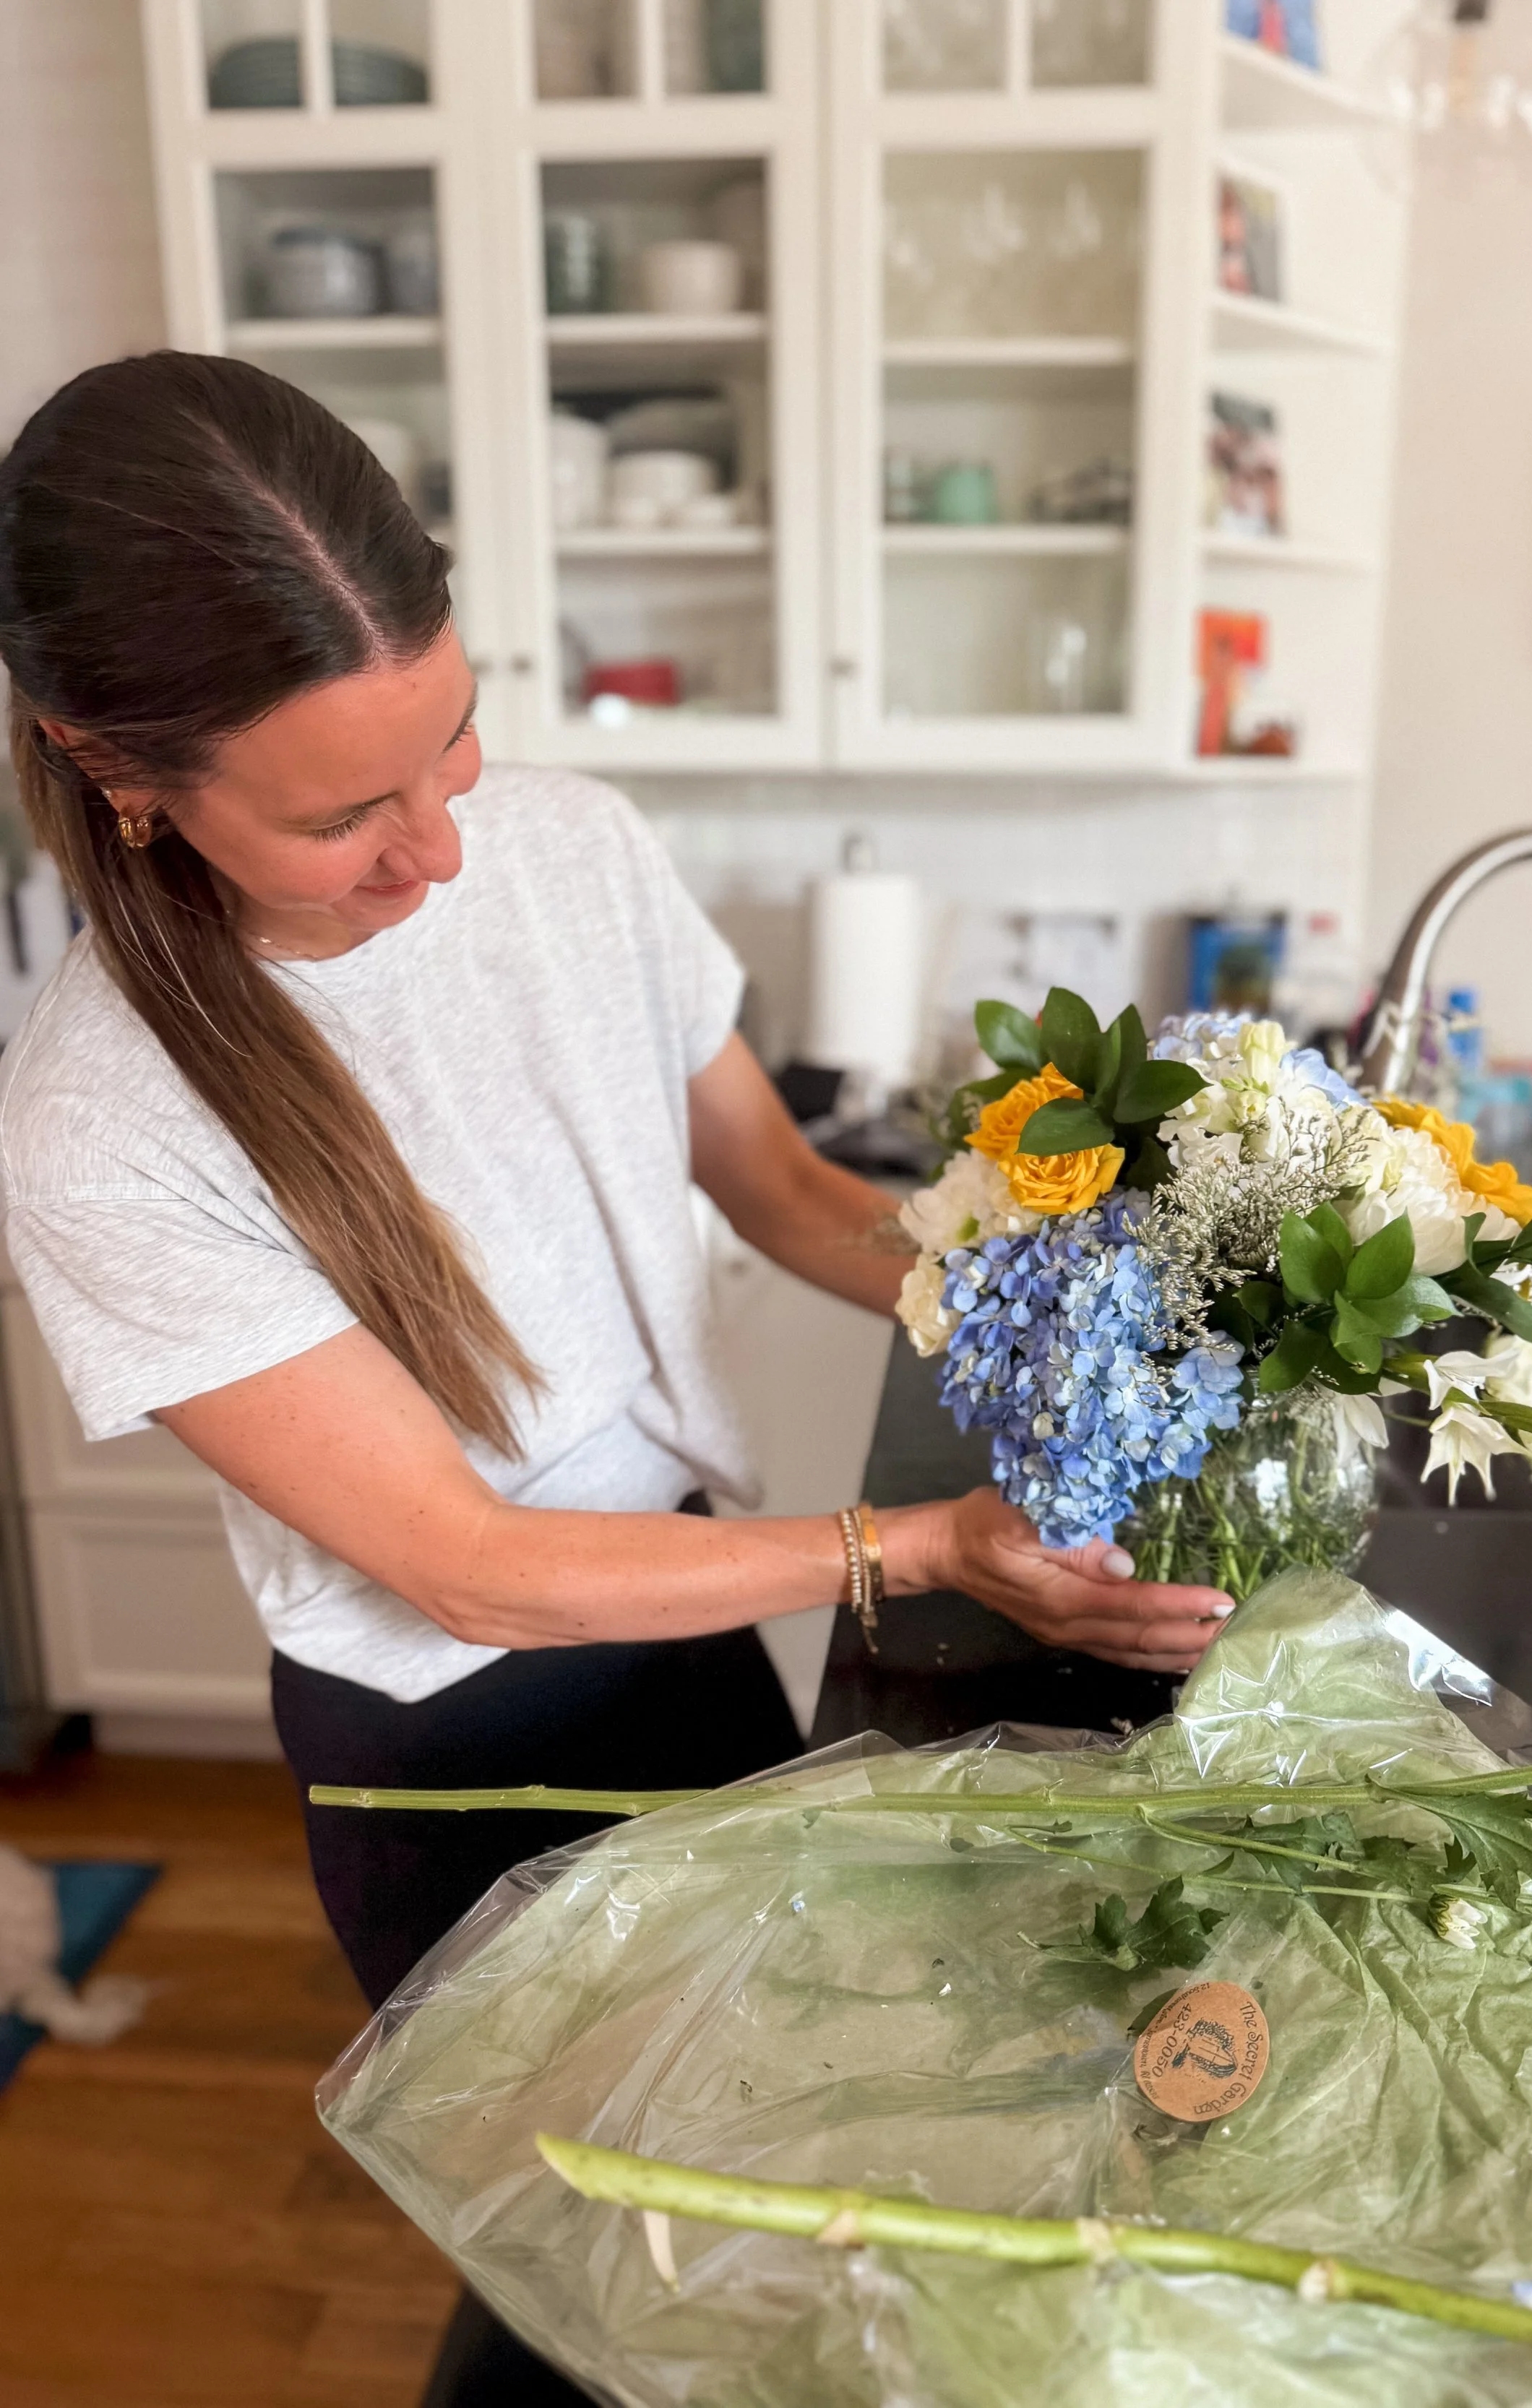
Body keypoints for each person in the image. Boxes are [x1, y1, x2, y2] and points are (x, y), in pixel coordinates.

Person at [0, 353, 1232, 2404]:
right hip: (455, 1762)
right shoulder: (97, 1118)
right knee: (604, 2291)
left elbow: (772, 1184)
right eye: (339, 815)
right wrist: (920, 1540)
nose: (439, 850)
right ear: (116, 768)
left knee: (761, 2229)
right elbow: (474, 1569)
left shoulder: (572, 846)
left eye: (454, 740)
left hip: (680, 1634)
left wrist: (1063, 1305)